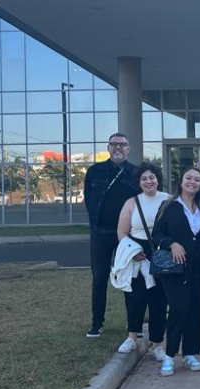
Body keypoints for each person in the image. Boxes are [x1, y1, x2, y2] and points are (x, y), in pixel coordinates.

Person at [152, 167, 200, 376]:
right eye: (189, 178)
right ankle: (170, 356)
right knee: (179, 309)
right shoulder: (169, 206)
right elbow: (157, 234)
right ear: (181, 181)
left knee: (195, 311)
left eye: (197, 179)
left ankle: (190, 354)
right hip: (176, 269)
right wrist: (172, 243)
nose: (193, 182)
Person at [84, 132, 137, 338]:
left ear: (128, 149)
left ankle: (133, 324)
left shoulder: (135, 173)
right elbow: (89, 199)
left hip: (127, 235)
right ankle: (97, 323)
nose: (118, 148)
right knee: (99, 278)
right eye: (114, 144)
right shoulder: (95, 171)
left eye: (122, 145)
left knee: (129, 278)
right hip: (100, 233)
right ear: (108, 148)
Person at [115, 163, 169, 361]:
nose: (149, 181)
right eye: (144, 178)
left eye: (152, 177)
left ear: (158, 179)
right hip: (137, 253)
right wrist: (133, 251)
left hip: (161, 251)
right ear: (139, 182)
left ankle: (157, 344)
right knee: (135, 297)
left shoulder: (168, 199)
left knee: (159, 300)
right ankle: (132, 336)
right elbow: (121, 232)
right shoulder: (131, 203)